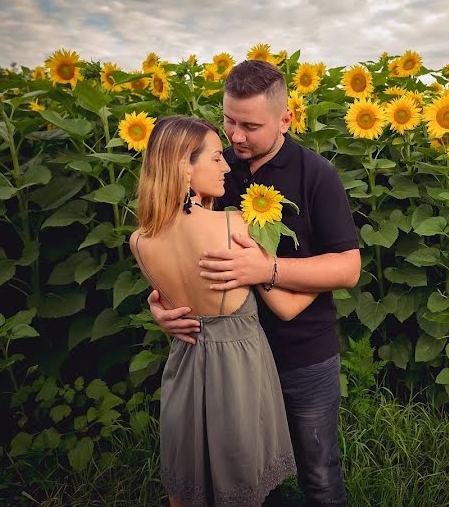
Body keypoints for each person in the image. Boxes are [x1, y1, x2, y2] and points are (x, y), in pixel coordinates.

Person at [149, 59, 361, 506]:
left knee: (319, 474)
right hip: (229, 363)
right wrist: (162, 303)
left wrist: (268, 270)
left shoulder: (315, 174)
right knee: (248, 480)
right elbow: (177, 245)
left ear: (285, 119)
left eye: (250, 125)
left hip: (302, 354)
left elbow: (347, 268)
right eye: (228, 120)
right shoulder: (212, 168)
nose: (236, 137)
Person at [130, 115, 317, 507]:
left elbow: (169, 300)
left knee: (192, 490)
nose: (227, 166)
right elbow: (284, 306)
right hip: (238, 373)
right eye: (216, 158)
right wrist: (332, 279)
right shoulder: (235, 225)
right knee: (244, 487)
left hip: (184, 370)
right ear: (185, 165)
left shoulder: (140, 240)